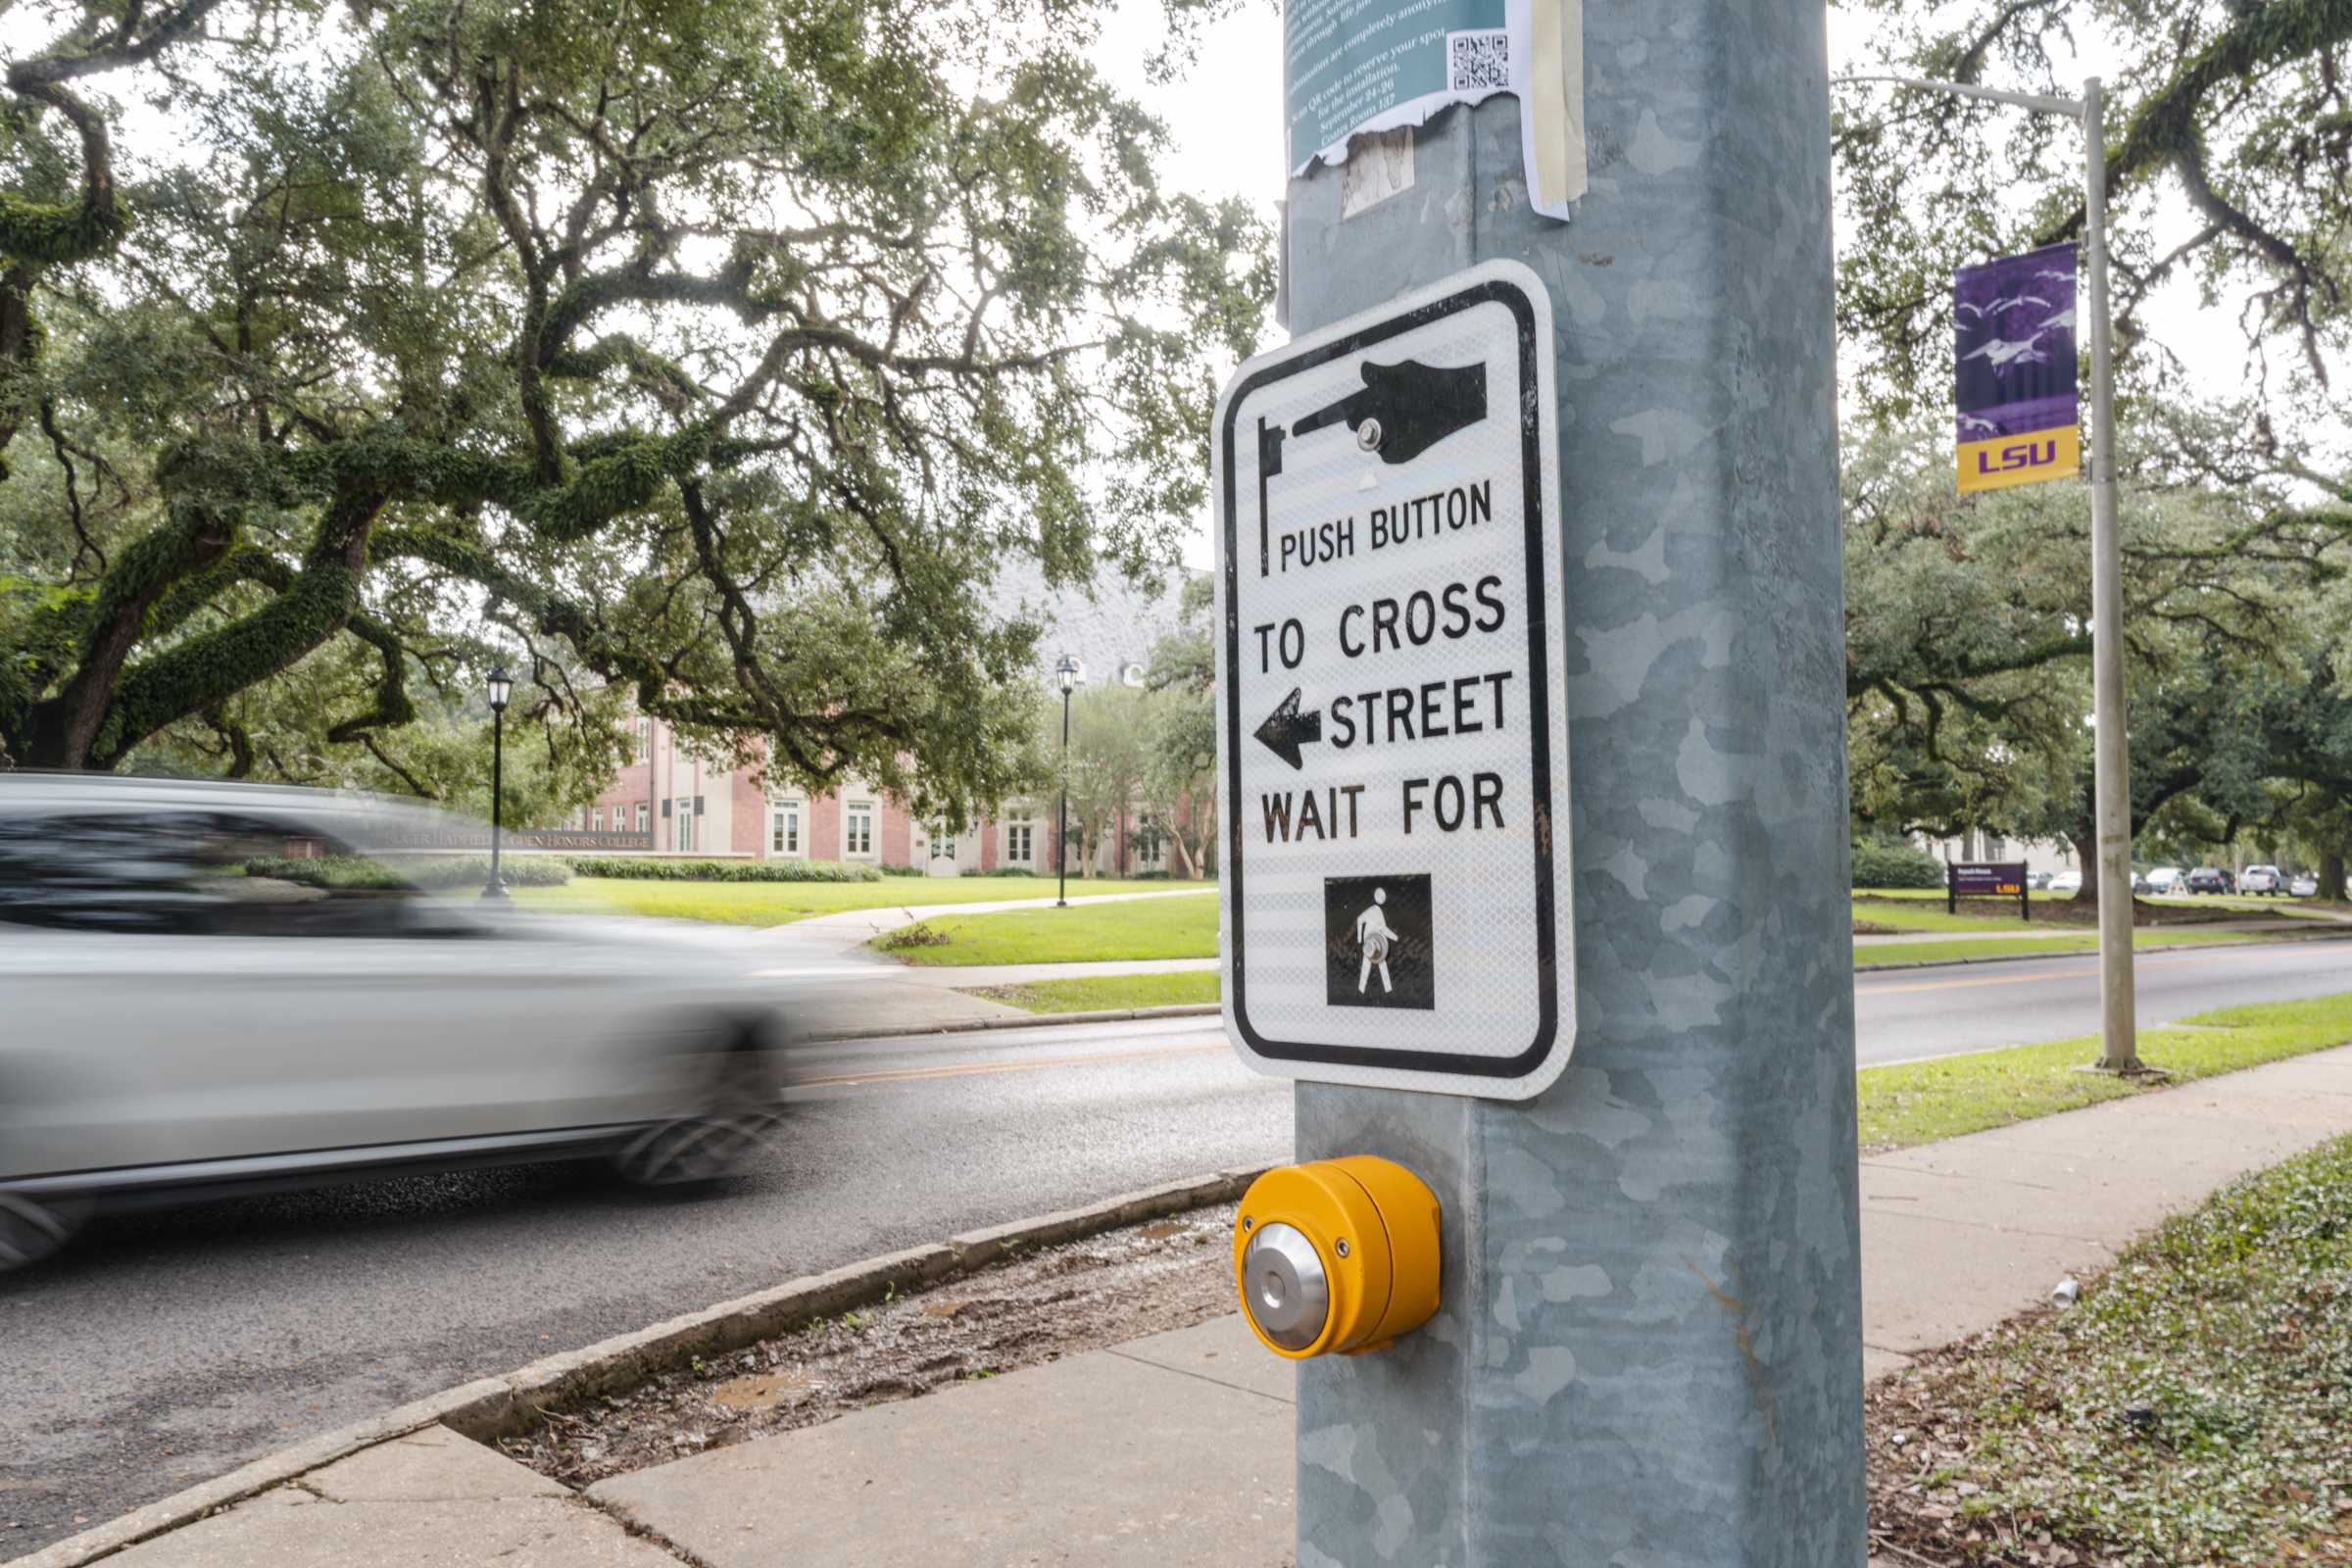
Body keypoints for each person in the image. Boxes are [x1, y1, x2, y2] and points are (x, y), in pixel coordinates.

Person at [1355, 888, 1396, 995]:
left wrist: (1394, 937)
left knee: (1379, 962)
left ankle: (1364, 989)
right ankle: (1362, 989)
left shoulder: (1378, 911)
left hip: (1376, 942)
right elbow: (1360, 919)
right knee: (1372, 963)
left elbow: (1383, 929)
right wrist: (1359, 937)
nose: (1382, 899)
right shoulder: (1373, 909)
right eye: (1381, 897)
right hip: (1370, 942)